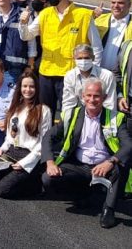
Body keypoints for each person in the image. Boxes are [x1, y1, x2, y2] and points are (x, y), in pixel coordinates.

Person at [41, 78, 131, 229]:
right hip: (79, 166)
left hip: (105, 166)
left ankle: (109, 209)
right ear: (82, 96)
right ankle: (82, 194)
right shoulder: (71, 115)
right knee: (48, 179)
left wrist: (111, 161)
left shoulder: (116, 117)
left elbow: (128, 145)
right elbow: (48, 137)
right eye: (88, 95)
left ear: (104, 97)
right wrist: (50, 162)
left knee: (119, 166)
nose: (92, 99)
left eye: (96, 96)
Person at [18, 0, 103, 119]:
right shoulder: (45, 14)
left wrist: (93, 73)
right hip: (47, 72)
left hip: (71, 74)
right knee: (45, 113)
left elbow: (96, 47)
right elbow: (27, 36)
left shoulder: (83, 15)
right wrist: (23, 23)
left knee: (68, 113)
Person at [0, 71, 52, 199]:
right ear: (20, 88)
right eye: (24, 86)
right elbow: (10, 136)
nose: (28, 90)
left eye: (32, 86)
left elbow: (44, 142)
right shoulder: (15, 107)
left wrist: (25, 163)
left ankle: (34, 184)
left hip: (31, 156)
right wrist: (2, 149)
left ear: (37, 88)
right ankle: (16, 176)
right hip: (13, 153)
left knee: (2, 190)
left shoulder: (43, 110)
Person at [61, 44, 116, 128]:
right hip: (80, 116)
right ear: (74, 59)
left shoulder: (107, 75)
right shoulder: (70, 76)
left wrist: (107, 126)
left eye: (86, 58)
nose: (83, 61)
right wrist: (66, 125)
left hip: (101, 116)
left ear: (93, 58)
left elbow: (109, 104)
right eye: (79, 58)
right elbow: (68, 103)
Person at [95, 0, 132, 72]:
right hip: (96, 73)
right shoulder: (99, 20)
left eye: (120, 3)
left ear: (129, 5)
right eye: (113, 2)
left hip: (121, 76)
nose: (116, 6)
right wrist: (92, 17)